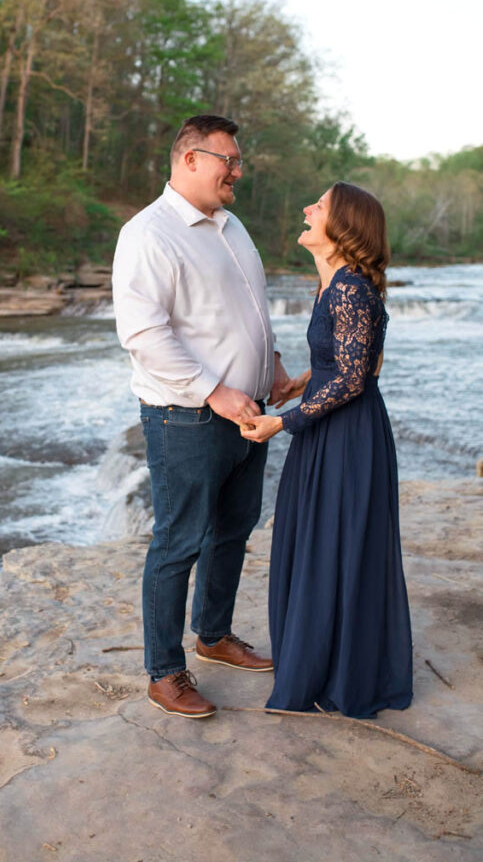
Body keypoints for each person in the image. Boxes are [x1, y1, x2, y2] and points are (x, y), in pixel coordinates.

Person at [112, 114, 290, 719]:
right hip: (186, 417)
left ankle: (213, 636)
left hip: (250, 411)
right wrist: (217, 392)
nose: (237, 171)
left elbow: (247, 310)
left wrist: (272, 366)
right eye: (228, 160)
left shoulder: (230, 224)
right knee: (179, 542)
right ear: (189, 159)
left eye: (239, 161)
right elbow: (143, 334)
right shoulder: (148, 233)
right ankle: (165, 672)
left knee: (233, 532)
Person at [241, 181, 413, 718]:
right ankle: (318, 661)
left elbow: (356, 380)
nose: (305, 208)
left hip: (347, 436)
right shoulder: (331, 285)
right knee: (319, 541)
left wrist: (281, 422)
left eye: (318, 205)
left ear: (342, 230)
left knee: (335, 544)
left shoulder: (350, 290)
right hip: (325, 427)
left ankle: (338, 674)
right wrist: (298, 384)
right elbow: (339, 362)